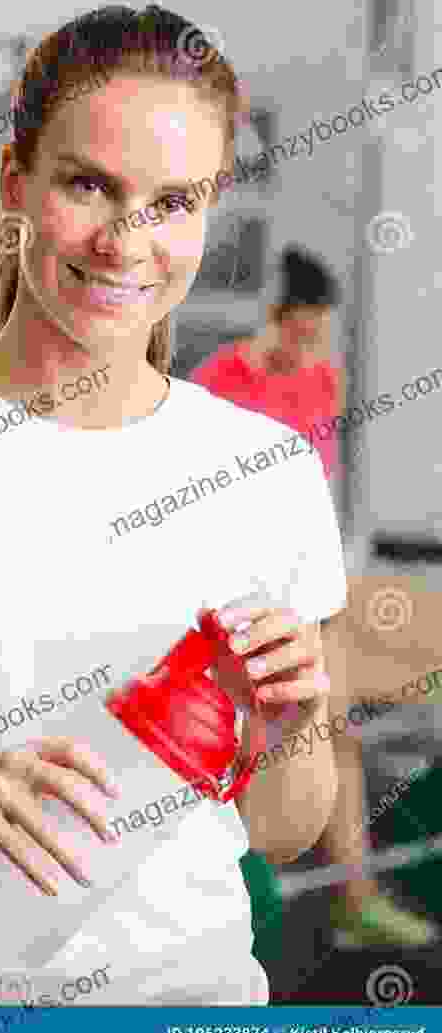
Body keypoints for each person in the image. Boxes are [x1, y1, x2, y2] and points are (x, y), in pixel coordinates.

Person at [0, 5, 346, 1006]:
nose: (128, 241)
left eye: (174, 202)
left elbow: (278, 830)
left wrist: (296, 723)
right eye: (91, 185)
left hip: (183, 1020)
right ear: (14, 184)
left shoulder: (267, 467)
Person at [191, 246, 438, 949]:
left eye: (320, 334)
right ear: (277, 317)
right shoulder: (220, 384)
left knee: (339, 720)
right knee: (323, 718)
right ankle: (334, 898)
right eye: (303, 332)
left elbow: (316, 496)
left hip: (300, 584)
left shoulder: (321, 381)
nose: (311, 348)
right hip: (231, 592)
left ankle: (352, 898)